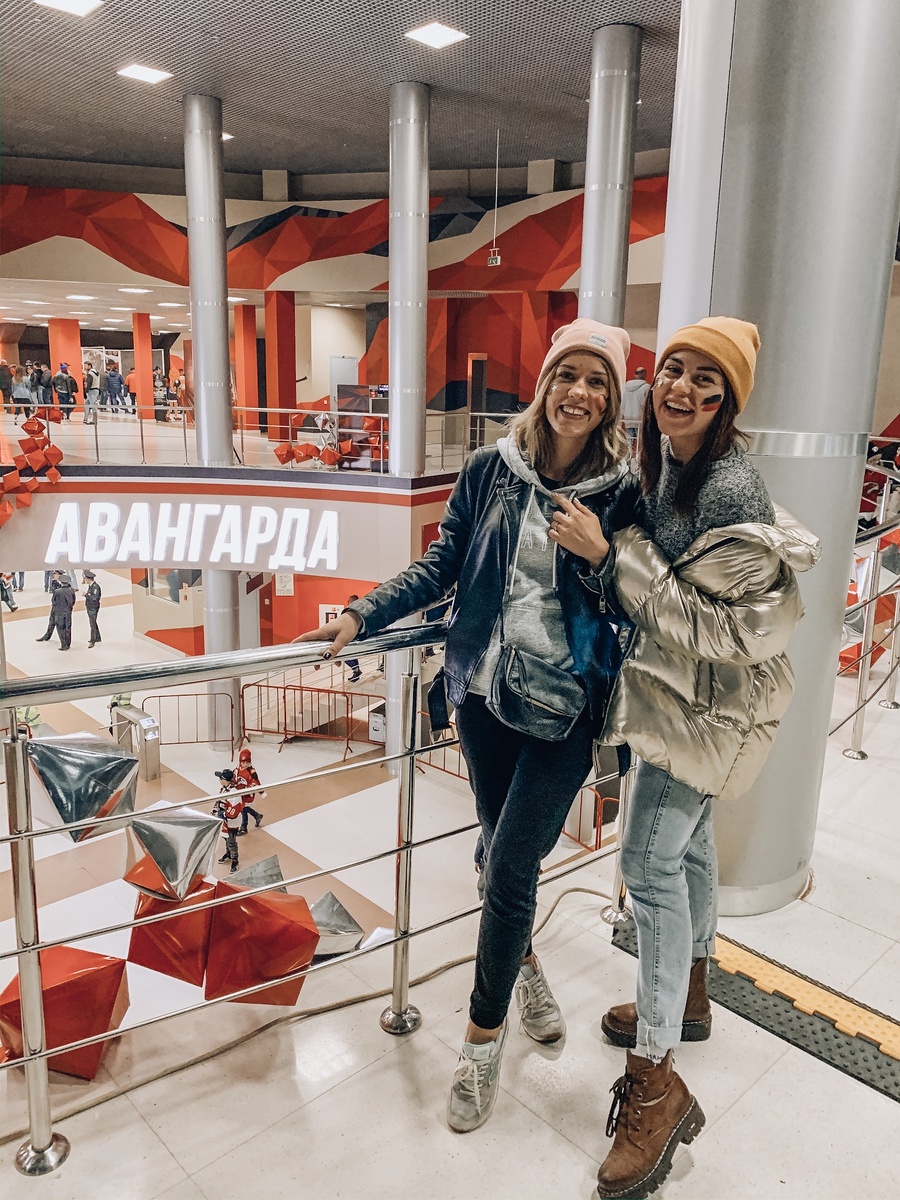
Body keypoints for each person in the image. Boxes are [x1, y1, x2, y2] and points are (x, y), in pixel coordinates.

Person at [297, 317, 641, 1133]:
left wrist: (600, 556)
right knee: (498, 856)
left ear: (610, 400)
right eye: (568, 375)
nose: (579, 393)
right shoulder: (491, 469)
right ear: (545, 382)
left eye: (597, 381)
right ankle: (523, 965)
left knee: (512, 863)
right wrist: (364, 612)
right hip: (482, 699)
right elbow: (444, 562)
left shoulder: (624, 493)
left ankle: (480, 1042)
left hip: (565, 709)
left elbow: (638, 604)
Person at [594, 318, 820, 1200]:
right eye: (673, 370)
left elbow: (721, 632)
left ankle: (656, 1087)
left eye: (706, 382)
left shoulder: (728, 489)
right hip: (688, 703)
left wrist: (613, 554)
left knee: (647, 869)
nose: (681, 389)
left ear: (727, 405)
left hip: (709, 710)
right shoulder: (668, 467)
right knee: (685, 851)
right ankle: (687, 995)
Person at [36, 571, 75, 650]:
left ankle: (65, 643)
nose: (54, 576)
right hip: (58, 608)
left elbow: (54, 598)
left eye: (55, 574)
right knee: (51, 622)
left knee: (62, 626)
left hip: (59, 608)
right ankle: (47, 636)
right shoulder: (55, 583)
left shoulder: (63, 587)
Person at [214, 769, 242, 873]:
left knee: (231, 841)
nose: (219, 780)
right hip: (224, 820)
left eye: (220, 778)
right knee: (225, 838)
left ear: (225, 780)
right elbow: (219, 801)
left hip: (231, 822)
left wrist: (224, 814)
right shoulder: (224, 789)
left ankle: (235, 860)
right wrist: (215, 810)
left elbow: (234, 810)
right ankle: (229, 854)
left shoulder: (233, 793)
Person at [620, 365, 650, 456]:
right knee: (641, 445)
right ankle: (638, 462)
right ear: (644, 374)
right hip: (640, 418)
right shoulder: (646, 387)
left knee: (628, 443)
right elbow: (647, 405)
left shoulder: (626, 387)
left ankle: (627, 462)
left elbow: (622, 402)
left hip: (627, 418)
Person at [235, 748, 265, 834]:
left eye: (246, 762)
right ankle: (257, 815)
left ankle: (244, 827)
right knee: (243, 808)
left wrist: (260, 791)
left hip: (247, 793)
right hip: (239, 792)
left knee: (243, 809)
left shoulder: (251, 772)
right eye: (243, 762)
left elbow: (256, 781)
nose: (244, 764)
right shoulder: (237, 768)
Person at [343, 594, 363, 682]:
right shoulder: (360, 610)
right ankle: (356, 671)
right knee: (351, 655)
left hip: (352, 637)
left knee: (344, 655)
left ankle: (356, 670)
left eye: (349, 601)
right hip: (355, 637)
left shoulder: (351, 612)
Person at [83, 570, 102, 647]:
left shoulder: (95, 587)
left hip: (93, 607)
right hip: (90, 606)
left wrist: (86, 595)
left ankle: (92, 640)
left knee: (92, 624)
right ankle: (97, 637)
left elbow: (94, 598)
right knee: (93, 622)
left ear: (88, 579)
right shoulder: (91, 586)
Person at [83, 361, 101, 425]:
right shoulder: (95, 373)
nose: (85, 367)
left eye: (86, 366)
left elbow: (89, 383)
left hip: (92, 390)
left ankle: (94, 420)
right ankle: (85, 418)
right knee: (87, 404)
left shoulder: (90, 374)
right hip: (95, 389)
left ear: (89, 366)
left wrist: (86, 391)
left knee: (93, 405)